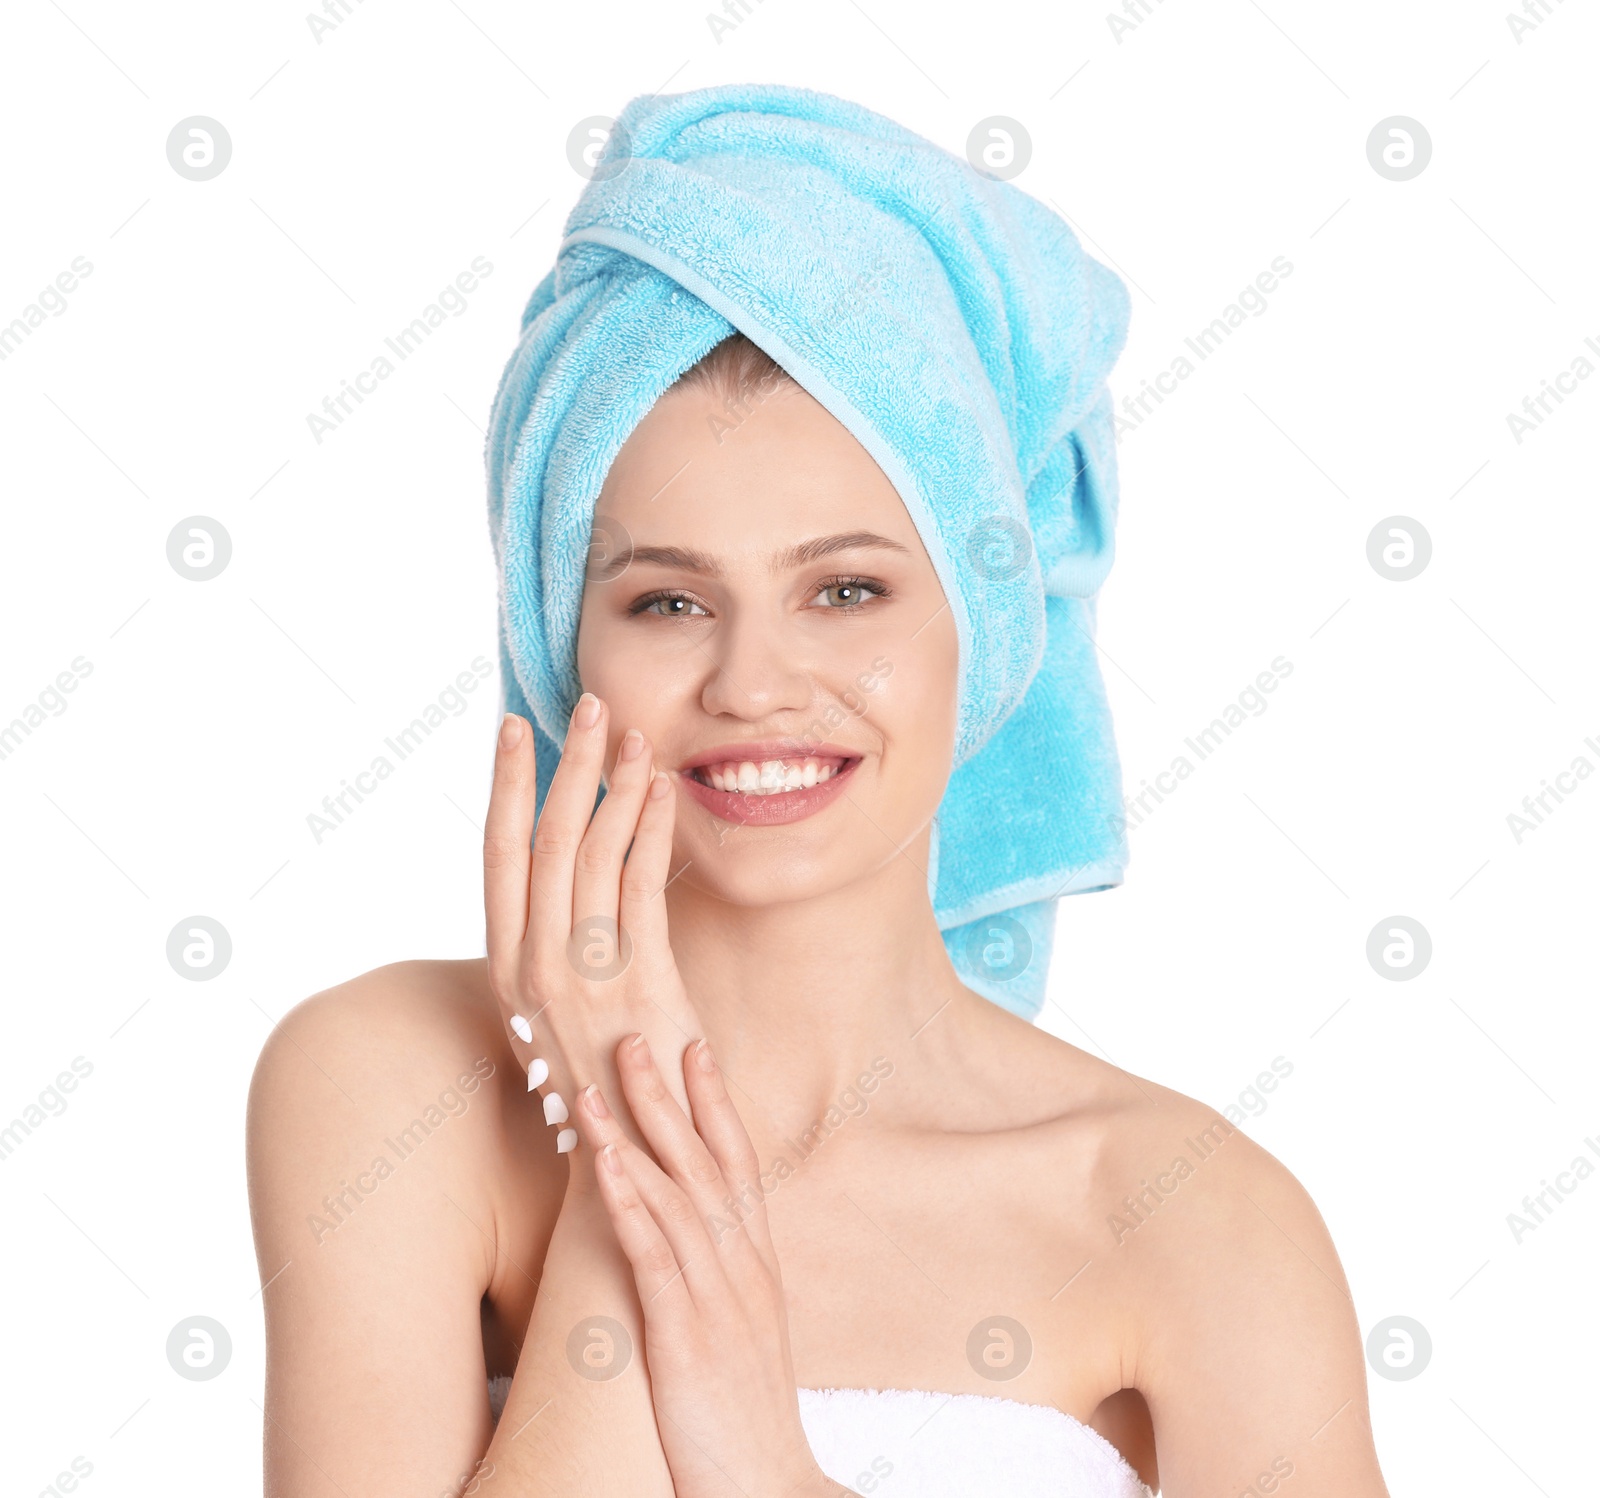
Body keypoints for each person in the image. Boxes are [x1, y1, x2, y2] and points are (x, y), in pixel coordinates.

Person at [246, 84, 1390, 1498]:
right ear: (560, 646)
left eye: (847, 589)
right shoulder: (387, 1086)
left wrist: (766, 1464)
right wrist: (629, 1122)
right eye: (667, 602)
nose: (755, 684)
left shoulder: (1192, 1217)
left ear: (984, 624)